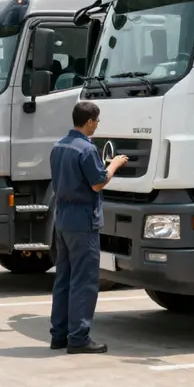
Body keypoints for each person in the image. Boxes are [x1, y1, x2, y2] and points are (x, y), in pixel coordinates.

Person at [48, 100, 128, 354]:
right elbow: (98, 183)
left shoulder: (59, 146)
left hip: (62, 218)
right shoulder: (86, 149)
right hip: (83, 220)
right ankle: (79, 338)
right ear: (90, 121)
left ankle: (58, 334)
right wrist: (114, 163)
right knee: (84, 280)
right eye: (97, 121)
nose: (97, 125)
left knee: (64, 278)